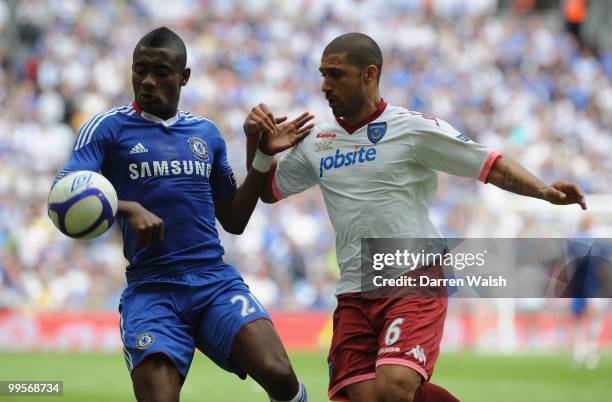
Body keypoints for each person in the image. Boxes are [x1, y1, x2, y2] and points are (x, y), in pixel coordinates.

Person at [243, 32, 587, 402]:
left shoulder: (412, 128)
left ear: (369, 74)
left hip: (413, 275)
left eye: (336, 74)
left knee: (394, 386)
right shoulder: (317, 141)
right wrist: (260, 149)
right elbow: (266, 190)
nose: (325, 85)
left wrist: (543, 191)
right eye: (322, 74)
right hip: (354, 290)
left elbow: (488, 165)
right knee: (364, 396)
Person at [52, 27, 314, 402]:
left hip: (213, 282)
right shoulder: (106, 128)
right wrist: (127, 207)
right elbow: (62, 194)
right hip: (152, 289)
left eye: (160, 71)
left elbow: (235, 221)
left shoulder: (205, 134)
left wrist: (261, 155)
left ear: (184, 77)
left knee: (280, 376)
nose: (147, 80)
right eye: (139, 69)